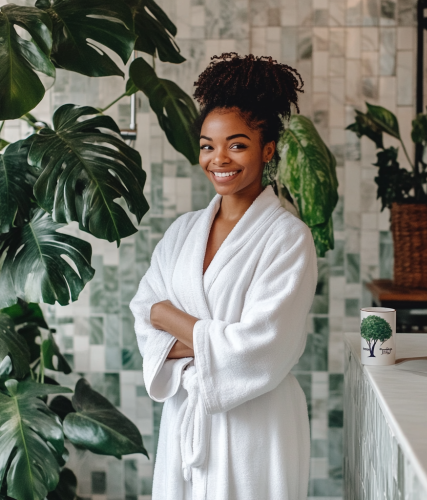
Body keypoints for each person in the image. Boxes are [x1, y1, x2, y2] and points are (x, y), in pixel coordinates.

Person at [129, 52, 318, 500]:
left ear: (266, 149)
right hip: (187, 416)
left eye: (237, 144)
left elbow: (262, 346)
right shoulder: (182, 233)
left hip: (257, 426)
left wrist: (166, 316)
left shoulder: (288, 239)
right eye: (207, 145)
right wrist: (212, 339)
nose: (219, 159)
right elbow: (141, 313)